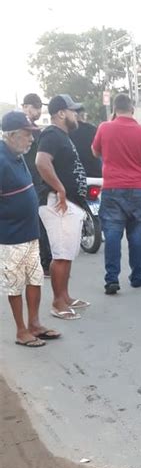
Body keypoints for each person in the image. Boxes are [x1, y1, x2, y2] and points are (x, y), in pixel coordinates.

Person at [91, 93, 141, 294]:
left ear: (114, 110)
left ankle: (112, 279)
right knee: (137, 234)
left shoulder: (104, 128)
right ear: (132, 109)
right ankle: (137, 277)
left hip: (113, 189)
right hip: (138, 189)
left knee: (112, 234)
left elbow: (95, 152)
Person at [0, 111, 60, 346]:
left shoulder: (18, 155)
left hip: (30, 233)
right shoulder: (1, 160)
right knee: (14, 284)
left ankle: (34, 323)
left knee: (34, 279)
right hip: (10, 237)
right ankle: (21, 330)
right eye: (27, 134)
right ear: (12, 135)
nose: (31, 139)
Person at [36, 94, 88, 319]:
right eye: (72, 110)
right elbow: (41, 162)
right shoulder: (52, 134)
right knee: (61, 254)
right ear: (60, 113)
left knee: (67, 253)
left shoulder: (62, 136)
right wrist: (60, 188)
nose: (76, 115)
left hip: (68, 203)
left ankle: (65, 296)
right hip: (57, 202)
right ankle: (58, 303)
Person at [22, 93, 52, 276]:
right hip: (27, 182)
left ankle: (45, 261)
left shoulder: (35, 130)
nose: (38, 111)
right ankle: (44, 262)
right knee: (37, 223)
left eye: (40, 107)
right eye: (34, 106)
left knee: (39, 222)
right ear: (25, 106)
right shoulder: (24, 129)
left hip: (36, 182)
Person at [69, 107, 102, 178]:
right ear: (83, 116)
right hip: (95, 173)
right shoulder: (93, 129)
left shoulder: (67, 131)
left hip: (74, 175)